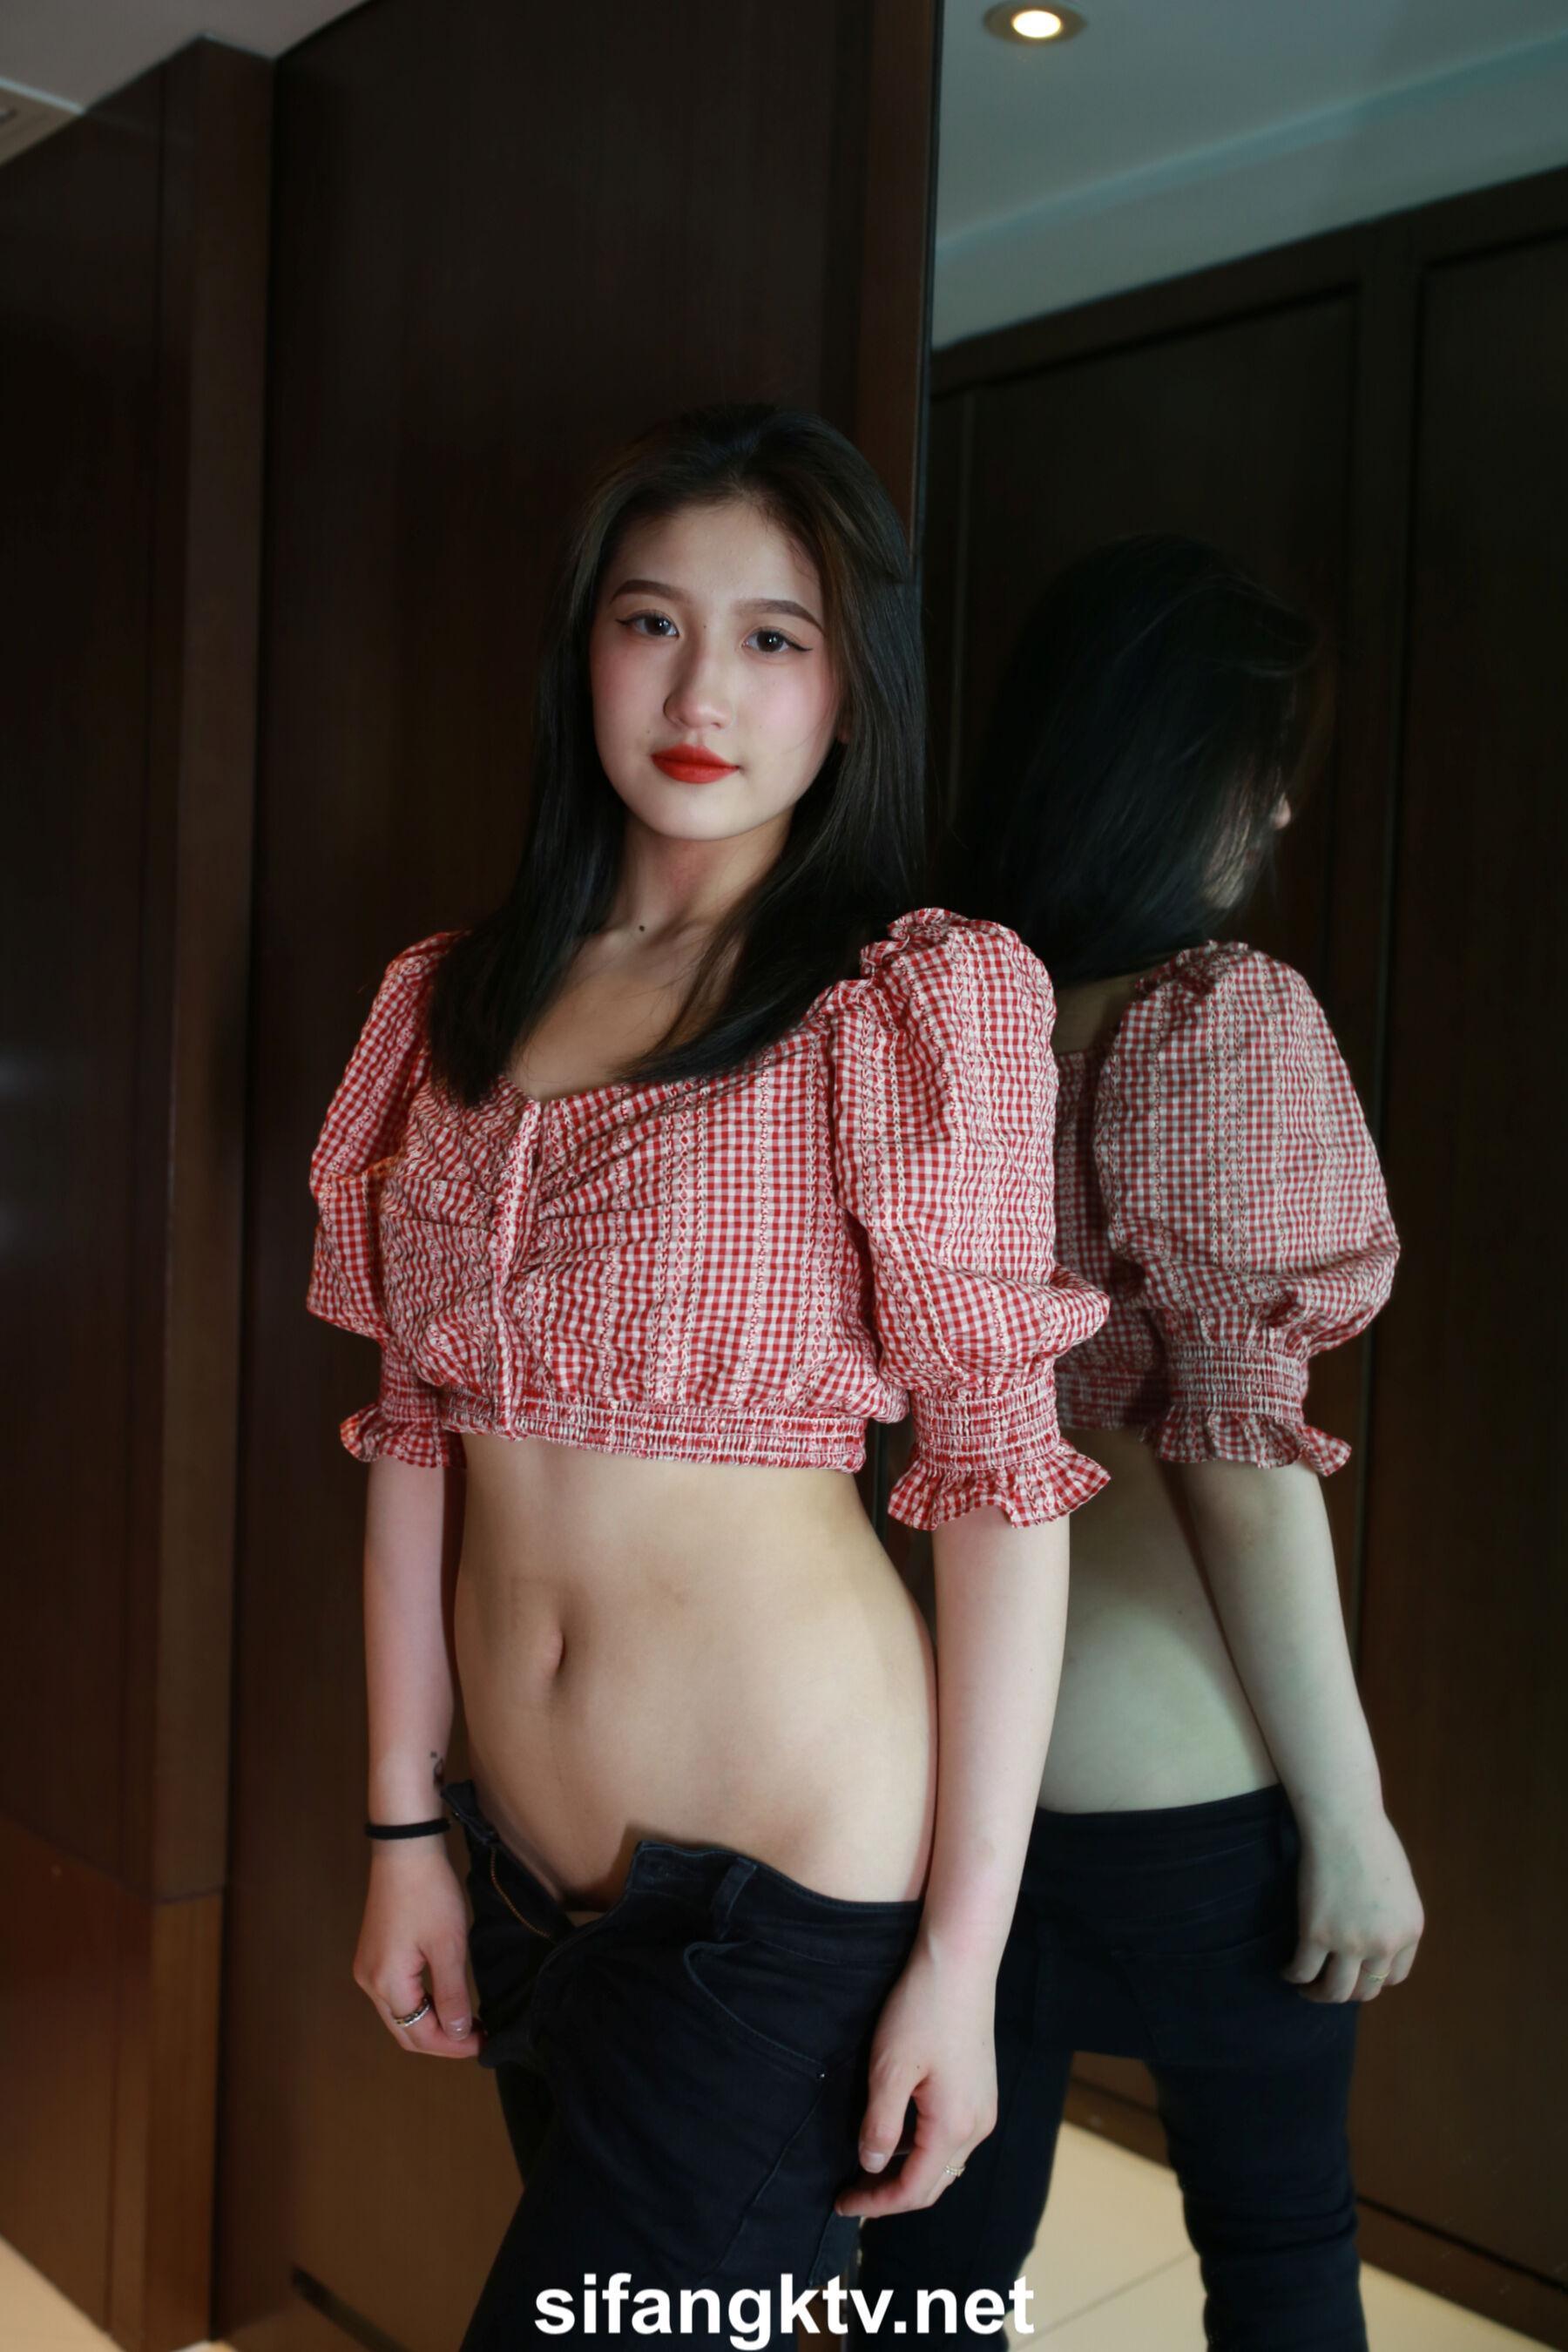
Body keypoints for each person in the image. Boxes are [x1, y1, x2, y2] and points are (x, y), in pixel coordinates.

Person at [305, 405, 1109, 2347]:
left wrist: (963, 1964)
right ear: (584, 646)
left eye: (775, 636)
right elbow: (411, 1434)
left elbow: (1003, 1487)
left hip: (782, 1889)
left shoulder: (902, 1002)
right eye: (651, 621)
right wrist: (406, 1831)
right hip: (522, 1872)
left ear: (852, 686)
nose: (701, 691)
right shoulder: (452, 998)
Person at [858, 536, 1424, 2351]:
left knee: (930, 2271)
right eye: (1264, 765)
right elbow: (1236, 1469)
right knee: (1280, 2249)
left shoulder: (927, 1020)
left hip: (937, 1768)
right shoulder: (1218, 1018)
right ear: (1182, 769)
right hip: (1177, 1800)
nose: (1281, 809)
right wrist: (1352, 1817)